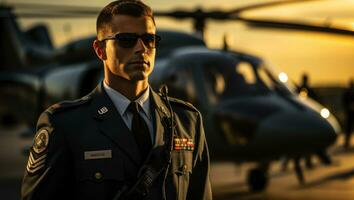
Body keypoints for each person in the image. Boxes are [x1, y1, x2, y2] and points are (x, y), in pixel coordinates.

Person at [21, 1, 212, 199]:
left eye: (149, 39)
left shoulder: (187, 122)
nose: (141, 48)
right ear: (100, 50)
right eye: (126, 39)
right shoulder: (66, 125)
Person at [343, 79, 354, 149]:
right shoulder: (347, 93)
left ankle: (347, 142)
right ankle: (346, 142)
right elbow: (344, 103)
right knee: (348, 129)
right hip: (350, 113)